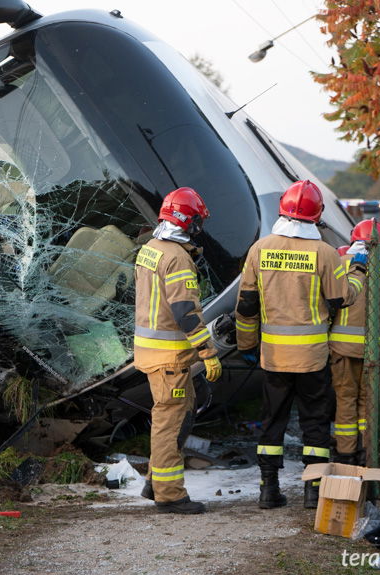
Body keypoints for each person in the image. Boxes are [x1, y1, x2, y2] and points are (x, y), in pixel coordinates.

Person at [234, 180, 367, 510]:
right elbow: (341, 299)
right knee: (315, 423)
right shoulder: (323, 252)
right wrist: (358, 272)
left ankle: (268, 490)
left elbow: (246, 305)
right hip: (312, 359)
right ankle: (313, 491)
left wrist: (246, 344)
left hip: (274, 359)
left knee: (272, 422)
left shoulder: (259, 249)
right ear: (316, 215)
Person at [133, 187, 223, 515]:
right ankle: (170, 495)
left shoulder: (151, 249)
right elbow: (185, 310)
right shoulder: (177, 257)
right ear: (188, 220)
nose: (200, 225)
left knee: (178, 415)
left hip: (151, 353)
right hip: (169, 357)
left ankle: (153, 483)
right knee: (170, 424)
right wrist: (207, 351)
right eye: (197, 219)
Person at [329, 219, 380, 466]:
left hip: (341, 349)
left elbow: (330, 305)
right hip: (374, 351)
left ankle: (345, 454)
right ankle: (367, 452)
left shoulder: (340, 264)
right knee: (368, 403)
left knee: (345, 401)